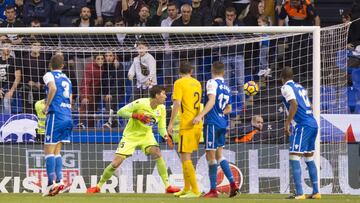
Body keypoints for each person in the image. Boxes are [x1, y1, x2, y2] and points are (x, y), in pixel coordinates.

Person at [87, 86, 180, 194]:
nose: (165, 96)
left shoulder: (162, 109)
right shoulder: (141, 103)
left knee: (157, 152)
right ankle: (98, 186)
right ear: (156, 95)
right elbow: (120, 112)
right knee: (116, 163)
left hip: (146, 135)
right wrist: (137, 116)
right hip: (130, 136)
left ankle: (168, 186)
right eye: (163, 94)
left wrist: (166, 136)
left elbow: (161, 128)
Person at [192, 61, 239, 198]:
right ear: (223, 72)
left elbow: (211, 101)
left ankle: (213, 190)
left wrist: (200, 115)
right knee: (219, 155)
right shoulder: (227, 88)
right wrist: (220, 114)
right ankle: (232, 183)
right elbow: (229, 109)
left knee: (210, 157)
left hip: (212, 123)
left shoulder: (212, 82)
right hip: (223, 123)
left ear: (212, 70)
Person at [280, 67, 320, 200]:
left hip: (303, 125)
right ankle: (316, 192)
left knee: (294, 156)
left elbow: (294, 104)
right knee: (309, 158)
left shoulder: (286, 87)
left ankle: (299, 193)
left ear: (282, 78)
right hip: (312, 123)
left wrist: (287, 123)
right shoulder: (300, 87)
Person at [168, 61, 202, 198]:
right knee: (184, 156)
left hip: (187, 124)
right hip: (197, 123)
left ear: (179, 72)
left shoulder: (179, 83)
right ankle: (187, 188)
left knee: (185, 157)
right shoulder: (197, 83)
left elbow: (177, 103)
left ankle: (195, 190)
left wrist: (170, 123)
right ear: (191, 71)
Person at [42, 54, 73, 196]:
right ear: (62, 66)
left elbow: (53, 88)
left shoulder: (49, 75)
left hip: (56, 116)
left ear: (50, 65)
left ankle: (50, 184)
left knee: (48, 150)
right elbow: (70, 99)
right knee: (57, 151)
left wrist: (47, 106)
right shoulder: (67, 79)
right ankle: (60, 181)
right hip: (68, 116)